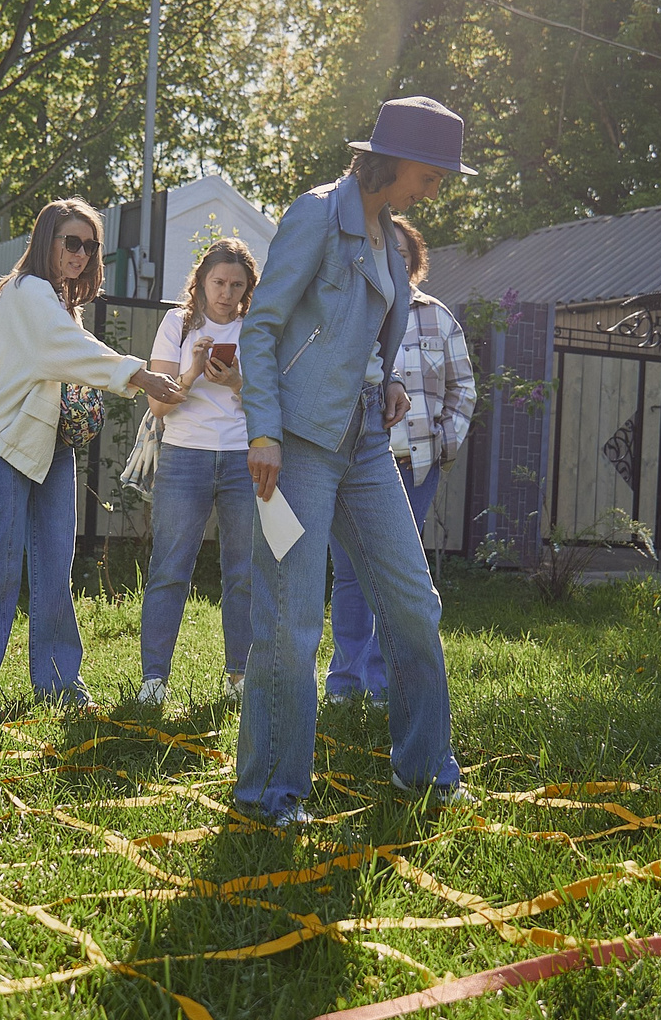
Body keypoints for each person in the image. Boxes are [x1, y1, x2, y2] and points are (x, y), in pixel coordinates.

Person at [237, 97, 471, 825]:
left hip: (367, 443)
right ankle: (270, 793)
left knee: (413, 602)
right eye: (430, 175)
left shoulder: (386, 236)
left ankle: (426, 768)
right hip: (298, 447)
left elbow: (365, 337)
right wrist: (264, 432)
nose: (434, 191)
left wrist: (392, 379)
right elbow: (262, 327)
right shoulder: (316, 214)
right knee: (292, 619)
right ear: (393, 160)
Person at [0, 199, 186, 714]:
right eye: (71, 242)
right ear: (46, 240)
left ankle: (58, 685)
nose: (81, 253)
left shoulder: (60, 298)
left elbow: (69, 352)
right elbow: (65, 347)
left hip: (51, 444)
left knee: (54, 566)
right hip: (6, 440)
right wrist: (138, 374)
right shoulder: (27, 292)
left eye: (90, 246)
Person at [325, 215, 475, 703]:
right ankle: (344, 682)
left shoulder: (438, 317)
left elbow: (463, 389)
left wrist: (443, 445)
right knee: (349, 575)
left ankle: (383, 684)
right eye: (387, 253)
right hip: (350, 467)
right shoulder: (350, 310)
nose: (396, 263)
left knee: (392, 577)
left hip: (413, 469)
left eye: (404, 256)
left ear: (415, 264)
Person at [135, 238, 260, 708]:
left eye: (236, 285)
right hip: (185, 454)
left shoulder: (257, 329)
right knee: (169, 567)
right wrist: (190, 372)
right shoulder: (177, 322)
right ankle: (153, 680)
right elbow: (156, 403)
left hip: (241, 457)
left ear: (248, 289)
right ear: (202, 282)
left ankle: (239, 677)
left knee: (243, 571)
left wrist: (235, 381)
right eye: (218, 282)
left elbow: (272, 402)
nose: (226, 293)